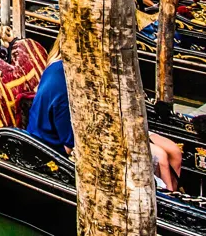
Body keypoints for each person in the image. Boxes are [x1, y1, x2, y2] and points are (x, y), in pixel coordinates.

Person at [27, 59, 182, 190]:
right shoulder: (65, 93)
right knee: (161, 157)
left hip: (111, 126)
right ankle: (168, 199)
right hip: (60, 148)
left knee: (174, 152)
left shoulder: (61, 68)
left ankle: (173, 193)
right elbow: (71, 147)